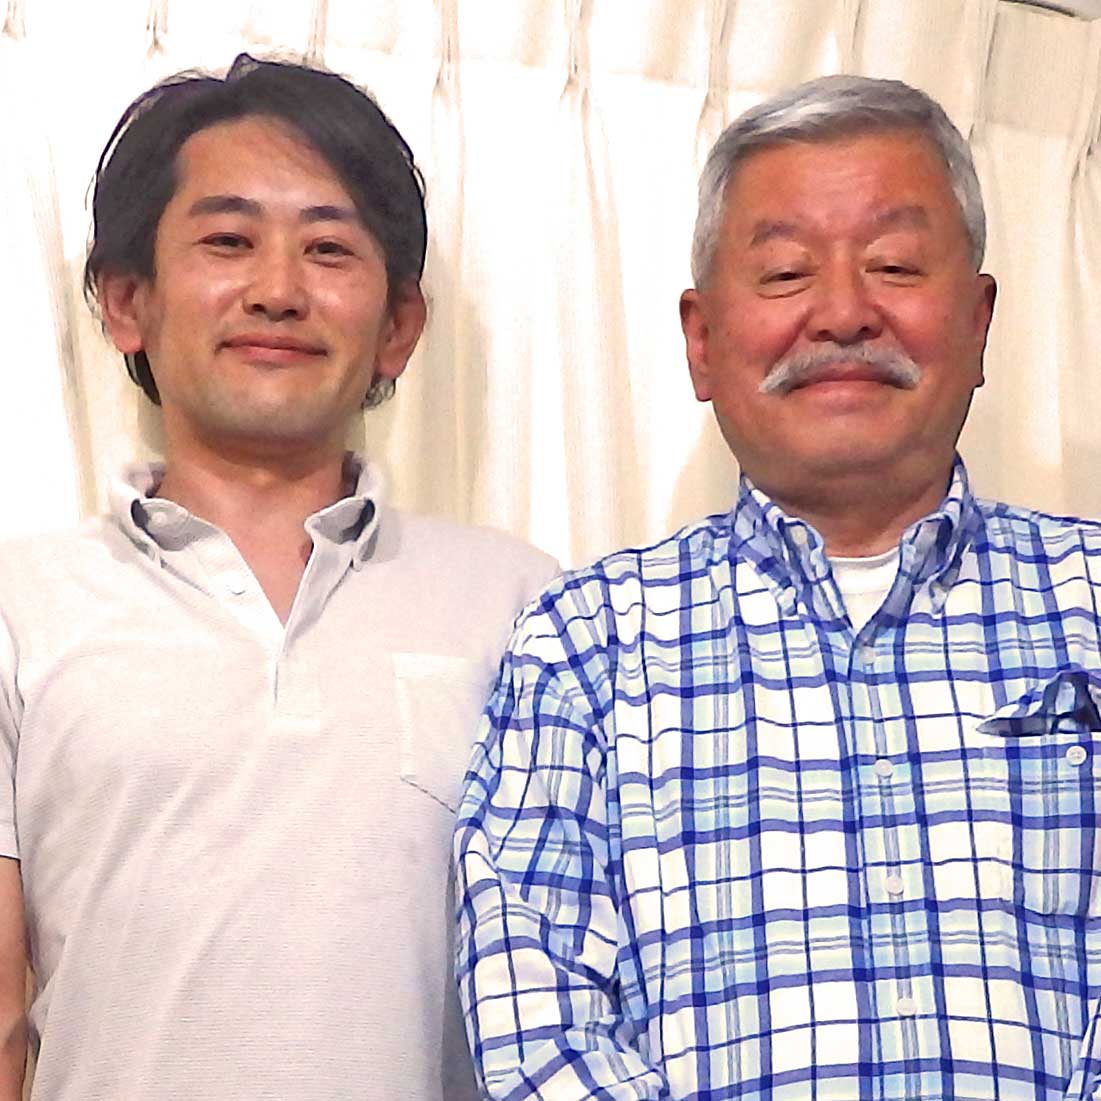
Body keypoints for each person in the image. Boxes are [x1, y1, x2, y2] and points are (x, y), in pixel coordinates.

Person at [455, 74, 1101, 1099]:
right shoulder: (584, 644)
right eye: (786, 272)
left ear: (979, 322)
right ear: (701, 341)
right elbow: (539, 1023)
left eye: (895, 264)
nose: (842, 313)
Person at [0, 54, 557, 1099]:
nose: (277, 290)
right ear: (127, 303)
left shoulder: (524, 605)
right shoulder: (19, 608)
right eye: (227, 241)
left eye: (328, 248)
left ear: (398, 326)